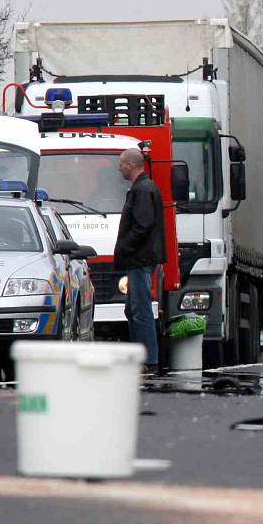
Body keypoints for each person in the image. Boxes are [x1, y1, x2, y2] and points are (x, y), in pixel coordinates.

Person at [114, 148, 165, 372]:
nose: (119, 167)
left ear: (131, 165)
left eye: (122, 164)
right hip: (139, 257)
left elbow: (143, 225)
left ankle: (148, 360)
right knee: (132, 309)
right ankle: (141, 357)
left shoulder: (142, 190)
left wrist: (125, 246)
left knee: (140, 309)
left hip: (139, 257)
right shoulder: (143, 188)